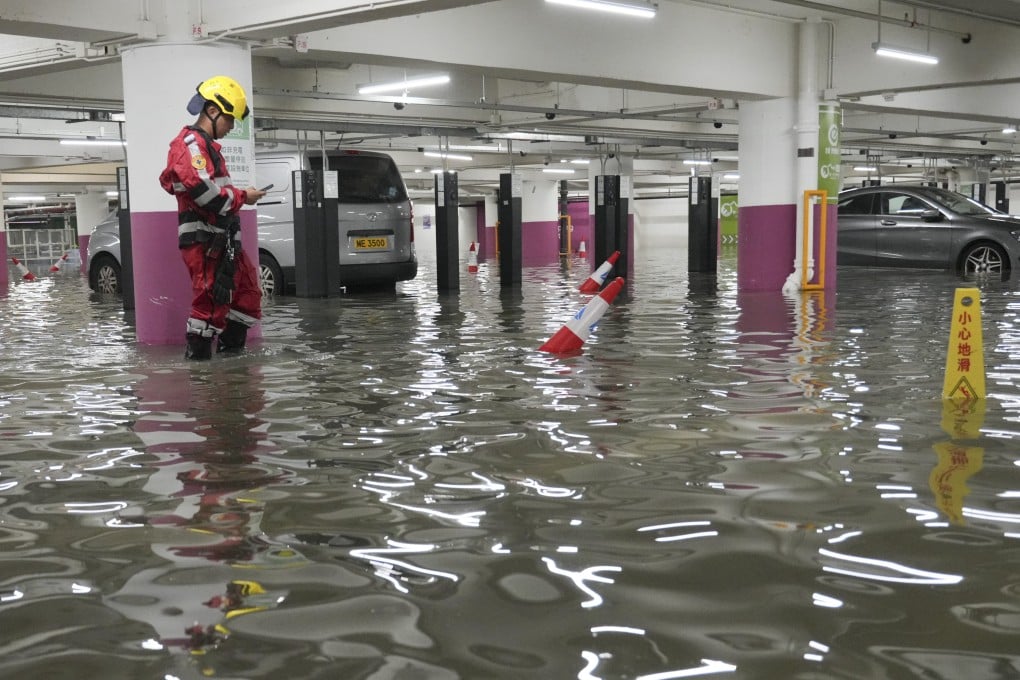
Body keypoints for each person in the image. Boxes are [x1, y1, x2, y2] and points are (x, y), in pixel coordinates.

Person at [159, 75, 266, 360]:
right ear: (213, 111)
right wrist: (244, 197)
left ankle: (232, 374)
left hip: (224, 241)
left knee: (246, 296)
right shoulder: (189, 145)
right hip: (205, 242)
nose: (231, 127)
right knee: (208, 305)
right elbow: (205, 193)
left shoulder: (206, 147)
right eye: (230, 119)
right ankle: (202, 378)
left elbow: (214, 193)